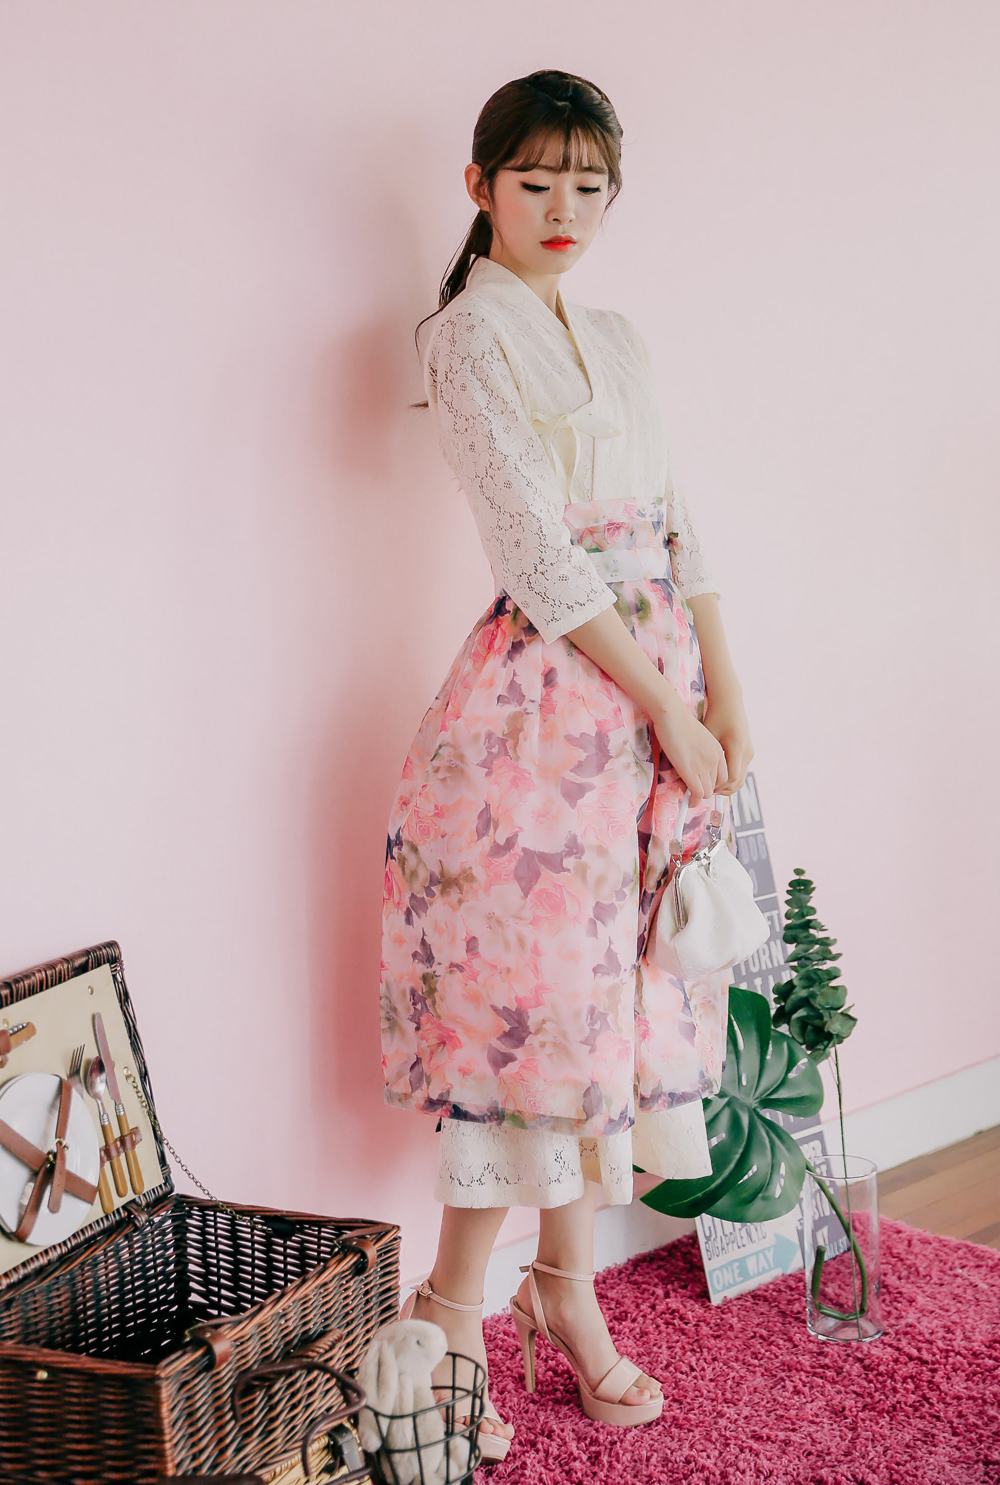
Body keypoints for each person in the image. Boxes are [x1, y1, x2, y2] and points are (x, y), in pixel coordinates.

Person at [380, 69, 754, 1460]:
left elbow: (678, 519)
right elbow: (535, 551)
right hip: (543, 715)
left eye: (589, 185)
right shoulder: (464, 336)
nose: (565, 209)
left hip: (655, 709)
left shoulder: (617, 335)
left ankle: (563, 1289)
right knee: (530, 1019)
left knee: (611, 1017)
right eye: (536, 181)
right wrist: (668, 704)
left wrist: (728, 690)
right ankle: (453, 1313)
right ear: (480, 186)